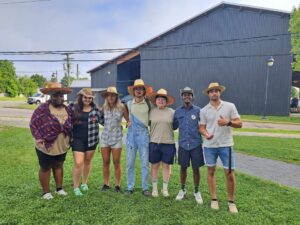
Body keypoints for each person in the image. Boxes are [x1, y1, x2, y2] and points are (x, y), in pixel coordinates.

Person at [200, 82, 242, 213]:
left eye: (217, 90)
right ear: (208, 94)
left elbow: (240, 124)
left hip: (226, 145)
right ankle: (214, 199)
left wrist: (228, 122)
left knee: (229, 173)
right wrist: (206, 134)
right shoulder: (204, 110)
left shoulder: (230, 106)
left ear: (220, 92)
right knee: (211, 172)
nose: (214, 93)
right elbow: (201, 127)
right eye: (212, 91)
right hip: (209, 146)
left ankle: (231, 201)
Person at [30, 82, 72, 200]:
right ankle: (46, 192)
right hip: (45, 145)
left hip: (62, 145)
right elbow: (33, 124)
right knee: (45, 167)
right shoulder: (42, 109)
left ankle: (59, 188)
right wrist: (38, 138)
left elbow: (71, 124)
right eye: (55, 95)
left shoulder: (67, 109)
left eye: (60, 95)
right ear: (50, 96)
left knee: (59, 165)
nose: (59, 97)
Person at [69, 88, 103, 196]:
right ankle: (75, 187)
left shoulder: (96, 110)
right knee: (79, 163)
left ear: (92, 99)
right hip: (77, 139)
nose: (87, 99)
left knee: (88, 161)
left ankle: (84, 183)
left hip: (92, 139)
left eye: (90, 98)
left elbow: (105, 122)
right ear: (81, 97)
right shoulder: (73, 107)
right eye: (85, 97)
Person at [173, 87, 205, 204]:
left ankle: (196, 191)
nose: (187, 96)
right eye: (184, 94)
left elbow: (204, 125)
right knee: (183, 168)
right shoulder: (177, 111)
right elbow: (173, 126)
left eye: (189, 94)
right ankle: (182, 189)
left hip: (195, 144)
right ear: (181, 97)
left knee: (196, 169)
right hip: (182, 144)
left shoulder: (198, 111)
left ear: (192, 97)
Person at [124, 79, 153, 196]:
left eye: (141, 89)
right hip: (131, 135)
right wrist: (127, 120)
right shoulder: (129, 103)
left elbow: (152, 117)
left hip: (143, 134)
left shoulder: (149, 104)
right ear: (133, 91)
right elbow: (123, 110)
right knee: (130, 162)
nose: (139, 91)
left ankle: (145, 187)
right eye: (137, 89)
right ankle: (129, 187)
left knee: (145, 162)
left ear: (144, 91)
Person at [100, 86, 128, 192]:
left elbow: (128, 120)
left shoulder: (122, 107)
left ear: (116, 97)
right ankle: (106, 184)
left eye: (113, 95)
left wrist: (129, 124)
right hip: (105, 138)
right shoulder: (104, 108)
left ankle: (117, 185)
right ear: (106, 97)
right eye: (109, 95)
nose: (110, 97)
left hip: (117, 137)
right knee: (105, 161)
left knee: (116, 162)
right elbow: (100, 119)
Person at [148, 89, 176, 197]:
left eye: (163, 99)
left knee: (166, 166)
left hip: (168, 143)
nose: (160, 101)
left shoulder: (172, 112)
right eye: (158, 99)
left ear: (166, 101)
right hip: (154, 142)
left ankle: (165, 189)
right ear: (155, 101)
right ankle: (154, 189)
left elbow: (176, 125)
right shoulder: (151, 112)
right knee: (154, 166)